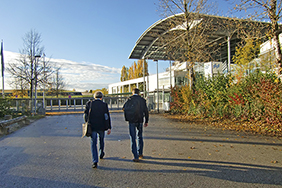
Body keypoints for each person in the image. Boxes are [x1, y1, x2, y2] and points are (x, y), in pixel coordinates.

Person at [84, 91, 111, 168]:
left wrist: (87, 122)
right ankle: (101, 152)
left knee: (93, 143)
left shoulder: (89, 104)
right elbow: (107, 116)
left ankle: (95, 161)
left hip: (92, 126)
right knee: (101, 140)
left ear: (94, 97)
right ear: (101, 97)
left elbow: (85, 114)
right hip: (101, 126)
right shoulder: (104, 105)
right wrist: (109, 127)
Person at [123, 88, 149, 162]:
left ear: (132, 93)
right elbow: (146, 111)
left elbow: (124, 108)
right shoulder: (142, 100)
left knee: (132, 137)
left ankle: (135, 156)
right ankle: (140, 152)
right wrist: (146, 120)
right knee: (139, 136)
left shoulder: (129, 99)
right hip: (140, 120)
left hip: (131, 120)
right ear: (139, 93)